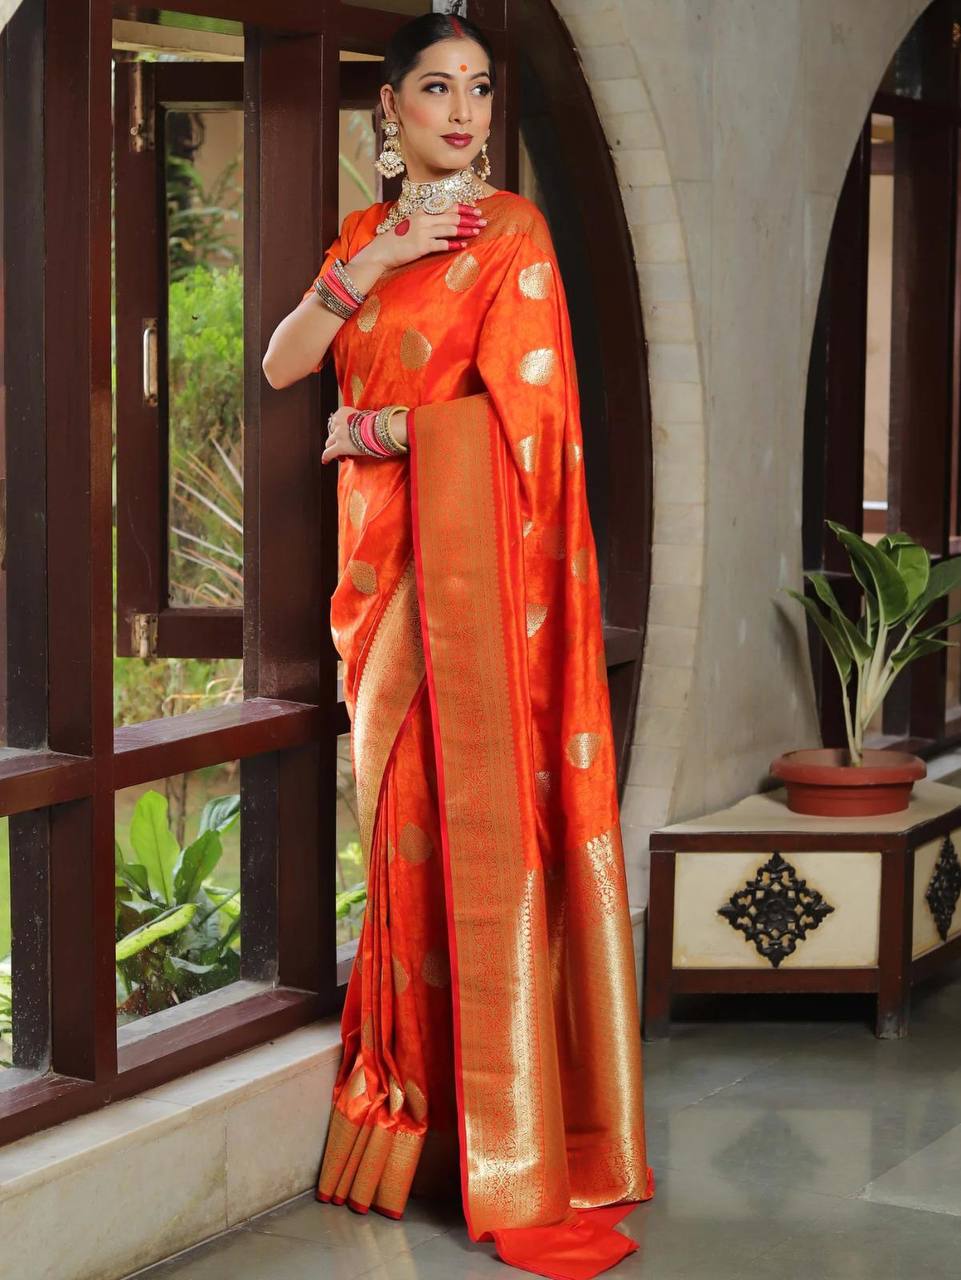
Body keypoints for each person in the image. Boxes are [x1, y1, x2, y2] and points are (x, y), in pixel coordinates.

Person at [262, 12, 655, 1278]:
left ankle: (503, 1132)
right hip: (375, 581)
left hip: (468, 586)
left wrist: (382, 433)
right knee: (396, 838)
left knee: (464, 826)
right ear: (389, 107)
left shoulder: (515, 236)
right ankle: (418, 1118)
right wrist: (376, 261)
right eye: (436, 87)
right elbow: (283, 365)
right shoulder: (361, 239)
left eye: (479, 88)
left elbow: (532, 426)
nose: (463, 110)